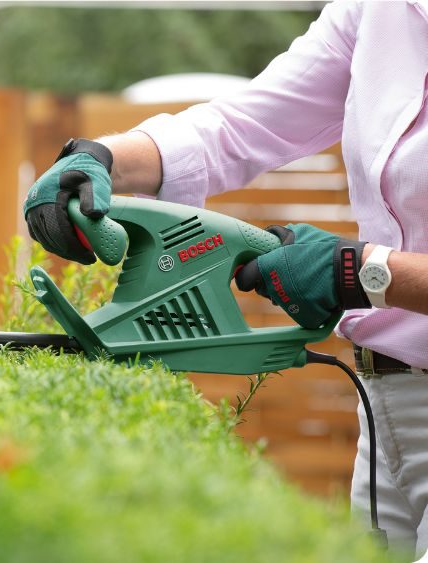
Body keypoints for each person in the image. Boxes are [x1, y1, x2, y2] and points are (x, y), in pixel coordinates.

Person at [23, 1, 428, 558]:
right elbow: (244, 124)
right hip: (386, 409)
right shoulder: (381, 10)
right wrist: (100, 160)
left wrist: (366, 272)